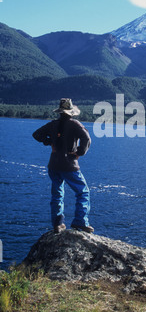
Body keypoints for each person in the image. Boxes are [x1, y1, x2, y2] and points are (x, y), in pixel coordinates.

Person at [32, 98, 94, 234]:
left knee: (57, 194)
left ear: (60, 112)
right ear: (71, 112)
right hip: (69, 165)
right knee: (83, 192)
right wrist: (79, 152)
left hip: (53, 165)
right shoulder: (75, 124)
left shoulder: (53, 124)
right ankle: (80, 222)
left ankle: (58, 224)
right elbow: (87, 138)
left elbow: (36, 134)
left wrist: (49, 142)